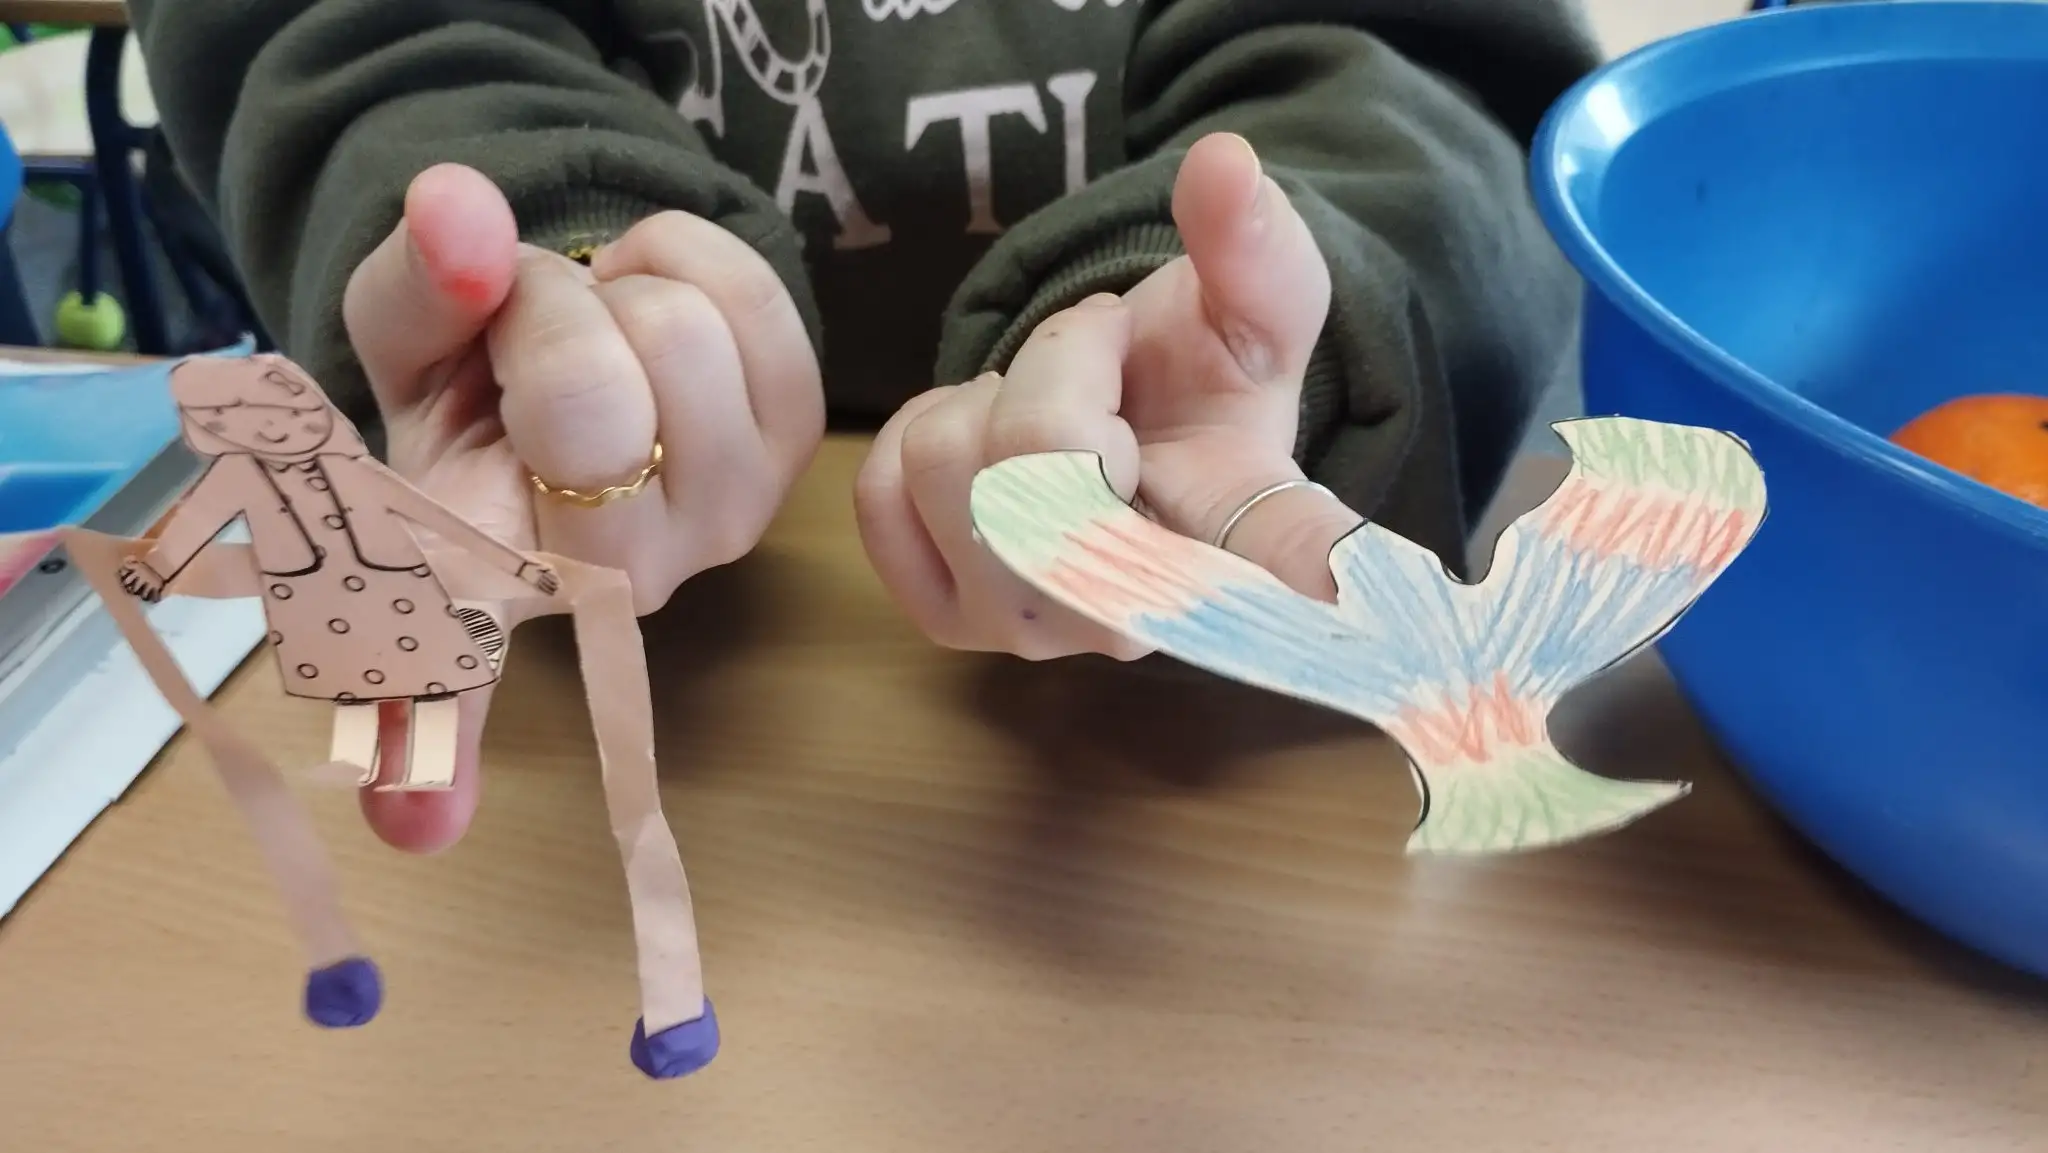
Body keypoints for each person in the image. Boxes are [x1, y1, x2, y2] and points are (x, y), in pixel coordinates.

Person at [131, 0, 1602, 852]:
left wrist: (1264, 331)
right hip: (635, 672)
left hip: (1237, 720)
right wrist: (548, 278)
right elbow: (349, 35)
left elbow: (1428, 73)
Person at [119, 354, 561, 791]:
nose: (271, 430)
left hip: (397, 590)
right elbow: (198, 521)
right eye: (235, 424)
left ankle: (430, 764)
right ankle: (355, 763)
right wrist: (158, 569)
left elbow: (438, 518)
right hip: (315, 598)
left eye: (283, 415)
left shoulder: (353, 467)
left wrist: (516, 564)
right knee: (353, 682)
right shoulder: (237, 474)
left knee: (434, 677)